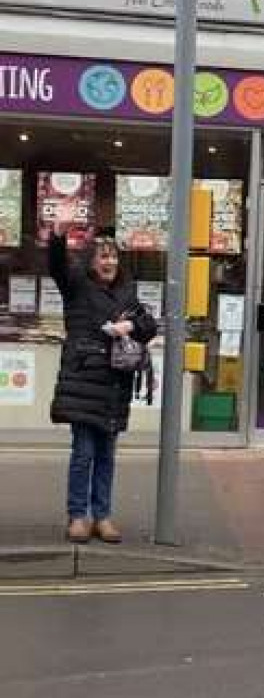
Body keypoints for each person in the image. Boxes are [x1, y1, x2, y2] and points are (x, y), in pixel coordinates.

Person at [48, 204, 157, 544]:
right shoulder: (77, 285)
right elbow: (57, 266)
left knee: (107, 456)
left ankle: (103, 516)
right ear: (92, 261)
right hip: (84, 382)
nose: (109, 263)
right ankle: (78, 516)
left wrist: (131, 325)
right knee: (83, 454)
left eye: (113, 257)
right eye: (103, 257)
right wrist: (58, 235)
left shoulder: (127, 291)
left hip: (114, 386)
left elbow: (149, 324)